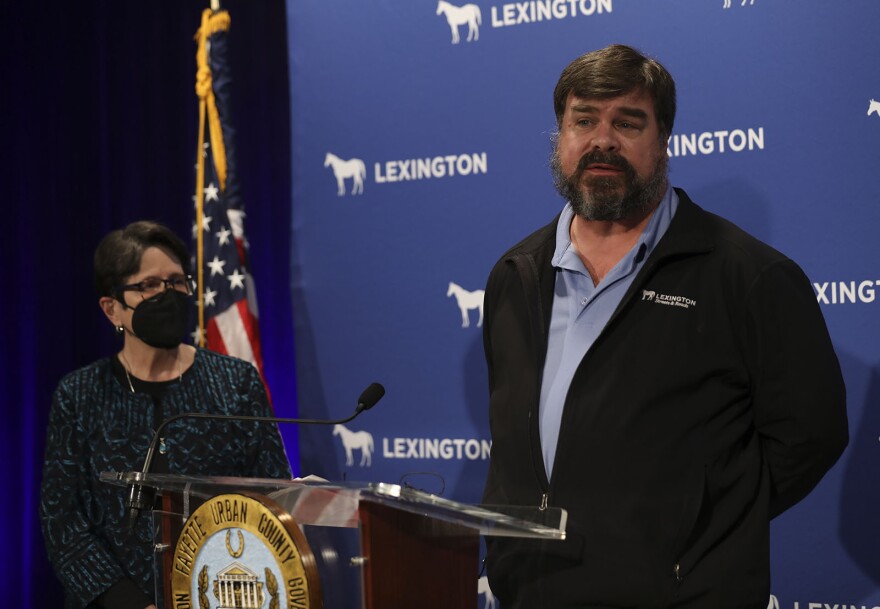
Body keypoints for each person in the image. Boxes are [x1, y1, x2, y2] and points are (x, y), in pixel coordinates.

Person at [481, 44, 848, 608]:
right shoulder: (516, 274)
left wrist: (699, 523)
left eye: (628, 122)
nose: (603, 140)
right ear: (560, 137)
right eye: (584, 121)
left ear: (665, 141)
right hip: (533, 591)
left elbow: (811, 436)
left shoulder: (749, 275)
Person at [40, 221, 292, 609]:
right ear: (112, 309)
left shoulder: (235, 382)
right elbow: (65, 525)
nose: (168, 294)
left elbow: (274, 498)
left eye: (177, 282)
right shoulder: (79, 395)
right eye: (149, 285)